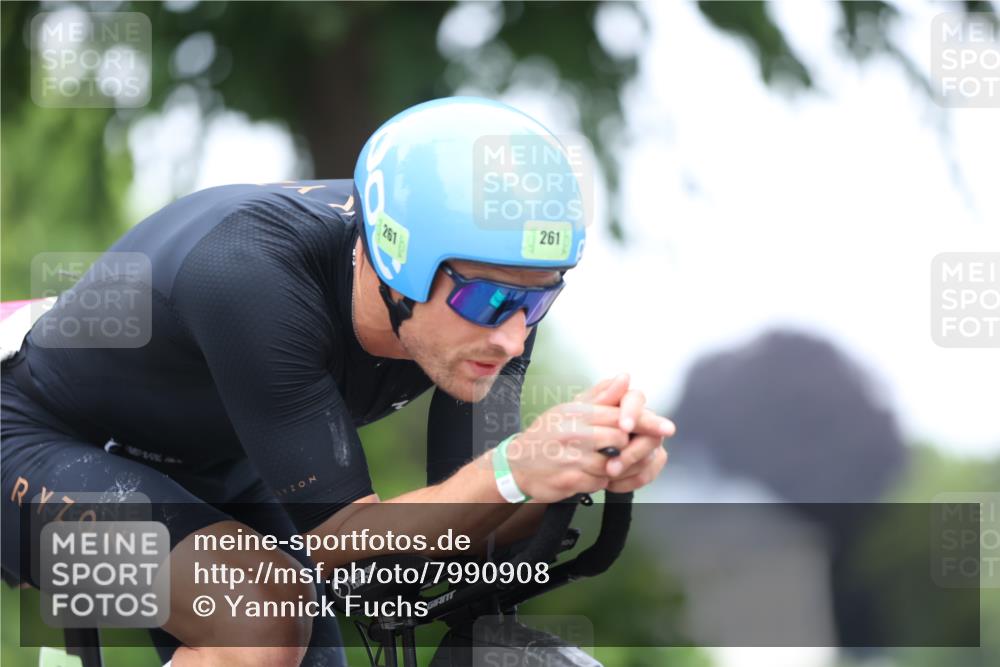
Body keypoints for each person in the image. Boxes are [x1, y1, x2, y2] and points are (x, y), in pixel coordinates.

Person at [1, 97, 674, 666]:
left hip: (209, 462)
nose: (514, 335)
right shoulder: (253, 275)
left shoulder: (486, 316)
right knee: (259, 616)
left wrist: (579, 463)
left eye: (539, 302)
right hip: (30, 437)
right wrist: (517, 464)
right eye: (492, 301)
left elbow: (463, 523)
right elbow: (344, 539)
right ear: (401, 263)